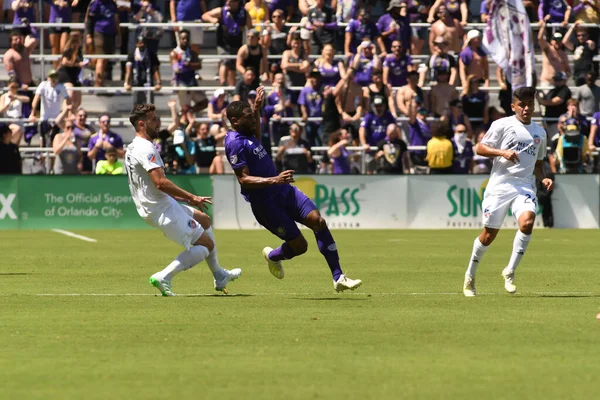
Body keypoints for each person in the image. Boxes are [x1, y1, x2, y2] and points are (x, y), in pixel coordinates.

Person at [224, 87, 362, 292]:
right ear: (235, 121)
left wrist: (257, 109)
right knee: (300, 246)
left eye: (253, 116)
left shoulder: (249, 132)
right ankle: (272, 256)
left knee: (318, 221)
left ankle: (338, 276)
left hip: (284, 191)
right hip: (266, 205)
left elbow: (257, 136)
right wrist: (274, 180)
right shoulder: (234, 143)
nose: (253, 119)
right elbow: (243, 179)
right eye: (248, 117)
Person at [126, 104, 241, 296]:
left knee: (204, 219)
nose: (158, 122)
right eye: (153, 119)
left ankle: (220, 275)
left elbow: (156, 186)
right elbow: (161, 182)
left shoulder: (133, 146)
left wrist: (186, 199)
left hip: (160, 204)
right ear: (141, 124)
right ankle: (164, 277)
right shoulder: (145, 148)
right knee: (205, 246)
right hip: (160, 209)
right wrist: (191, 196)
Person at [462, 87, 554, 297]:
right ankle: (470, 276)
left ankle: (510, 271)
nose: (526, 109)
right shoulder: (502, 124)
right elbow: (480, 148)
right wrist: (502, 151)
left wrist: (544, 177)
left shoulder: (540, 132)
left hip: (524, 186)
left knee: (528, 222)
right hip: (500, 186)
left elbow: (538, 165)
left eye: (530, 104)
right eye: (521, 105)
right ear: (513, 106)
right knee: (488, 236)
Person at [125, 35, 161, 107]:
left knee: (149, 106)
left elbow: (155, 69)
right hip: (136, 82)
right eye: (140, 43)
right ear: (136, 44)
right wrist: (126, 82)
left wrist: (158, 83)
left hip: (148, 82)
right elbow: (128, 70)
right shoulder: (132, 54)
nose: (142, 45)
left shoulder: (151, 54)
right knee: (137, 106)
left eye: (144, 43)